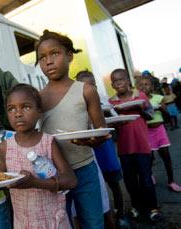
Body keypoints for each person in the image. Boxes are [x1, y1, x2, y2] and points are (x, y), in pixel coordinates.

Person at [37, 30, 107, 229]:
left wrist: (97, 140)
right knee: (61, 222)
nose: (48, 61)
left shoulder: (86, 90)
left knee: (93, 223)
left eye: (55, 53)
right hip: (53, 173)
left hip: (85, 167)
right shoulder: (37, 98)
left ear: (69, 55)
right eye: (42, 58)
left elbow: (102, 130)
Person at [0, 83, 77, 228]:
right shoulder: (4, 147)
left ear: (39, 110)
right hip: (24, 222)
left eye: (26, 107)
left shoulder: (48, 142)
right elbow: (0, 181)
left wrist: (35, 183)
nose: (18, 113)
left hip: (53, 220)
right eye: (11, 109)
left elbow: (71, 180)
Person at [76, 70, 129, 228]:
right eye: (83, 86)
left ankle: (120, 214)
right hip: (89, 154)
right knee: (97, 189)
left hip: (106, 151)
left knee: (114, 183)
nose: (88, 89)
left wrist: (108, 119)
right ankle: (104, 216)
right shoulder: (77, 107)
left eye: (91, 85)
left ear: (96, 86)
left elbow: (114, 120)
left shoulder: (103, 102)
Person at [109, 68, 162, 223]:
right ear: (112, 85)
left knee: (146, 179)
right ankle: (136, 207)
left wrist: (141, 109)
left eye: (121, 79)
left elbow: (151, 115)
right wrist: (111, 116)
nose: (119, 83)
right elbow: (112, 129)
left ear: (128, 81)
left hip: (142, 146)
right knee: (130, 181)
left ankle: (153, 208)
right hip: (124, 148)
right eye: (115, 81)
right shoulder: (112, 103)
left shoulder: (140, 96)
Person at [139, 77, 181, 192]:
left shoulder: (159, 98)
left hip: (159, 130)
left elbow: (168, 115)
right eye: (141, 84)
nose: (144, 87)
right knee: (149, 157)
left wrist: (163, 109)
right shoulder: (138, 100)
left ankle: (171, 181)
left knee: (166, 156)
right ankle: (150, 175)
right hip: (146, 131)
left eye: (146, 84)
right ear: (138, 87)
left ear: (152, 87)